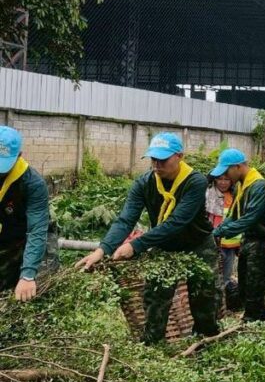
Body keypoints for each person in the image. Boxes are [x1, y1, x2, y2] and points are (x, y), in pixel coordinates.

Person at [77, 132, 221, 344]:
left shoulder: (195, 182)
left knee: (204, 297)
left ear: (179, 156)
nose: (157, 165)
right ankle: (153, 345)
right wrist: (103, 249)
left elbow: (177, 222)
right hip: (164, 246)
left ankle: (206, 340)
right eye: (154, 159)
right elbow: (126, 220)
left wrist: (135, 246)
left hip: (198, 245)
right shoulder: (144, 183)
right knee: (156, 298)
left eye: (163, 160)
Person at [210, 148, 265, 323]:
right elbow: (235, 214)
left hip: (261, 241)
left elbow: (249, 219)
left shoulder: (258, 186)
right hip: (248, 240)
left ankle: (252, 320)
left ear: (237, 167)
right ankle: (258, 319)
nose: (225, 176)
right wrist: (217, 229)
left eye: (227, 171)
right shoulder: (242, 185)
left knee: (254, 284)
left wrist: (221, 231)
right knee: (244, 283)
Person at [0, 126, 58, 302]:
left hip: (35, 233)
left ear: (19, 155)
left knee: (39, 289)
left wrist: (27, 275)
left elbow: (36, 230)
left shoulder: (33, 184)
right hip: (7, 232)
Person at [205, 174, 240, 308]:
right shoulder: (209, 195)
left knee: (226, 276)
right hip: (214, 242)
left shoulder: (235, 195)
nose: (223, 182)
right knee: (213, 275)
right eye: (220, 179)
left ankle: (222, 306)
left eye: (227, 179)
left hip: (231, 243)